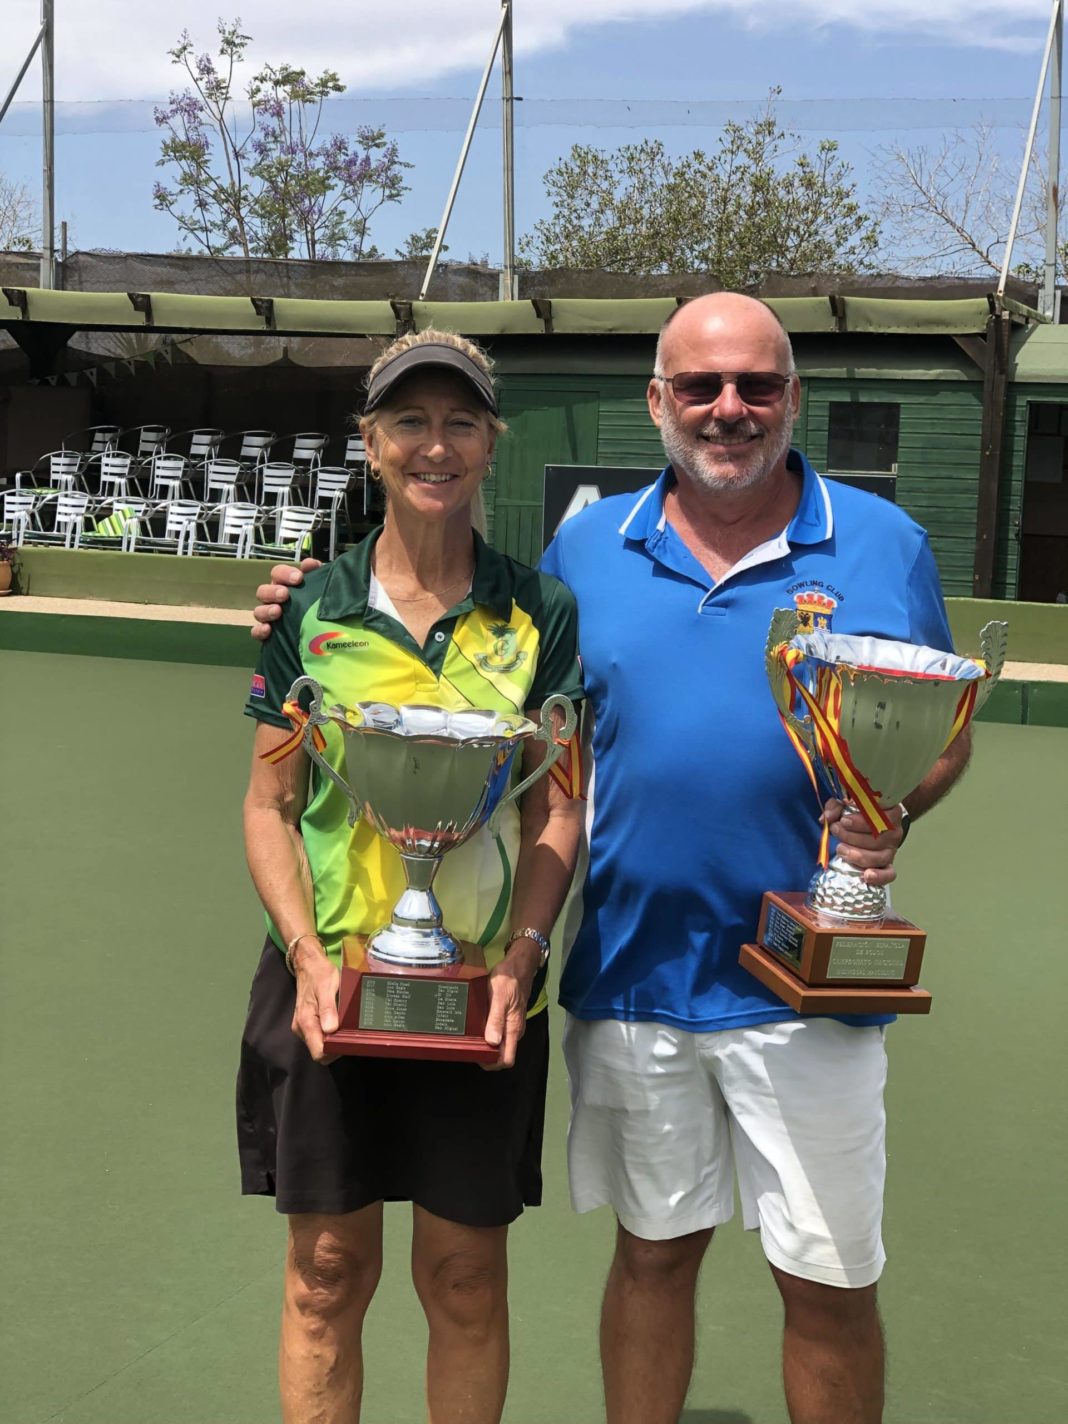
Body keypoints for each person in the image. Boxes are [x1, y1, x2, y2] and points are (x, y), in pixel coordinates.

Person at [252, 294, 972, 1424]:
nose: (728, 409)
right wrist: (297, 597)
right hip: (634, 980)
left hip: (813, 983)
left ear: (794, 397)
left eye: (757, 385)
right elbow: (481, 693)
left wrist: (898, 807)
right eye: (700, 385)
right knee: (650, 1260)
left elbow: (941, 724)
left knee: (829, 1282)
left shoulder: (886, 544)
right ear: (658, 400)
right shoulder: (586, 552)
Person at [239, 328, 584, 1424]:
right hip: (330, 978)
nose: (435, 443)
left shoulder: (542, 613)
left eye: (460, 421)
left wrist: (523, 956)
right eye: (409, 420)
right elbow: (269, 805)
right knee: (326, 1271)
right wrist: (302, 953)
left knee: (467, 1275)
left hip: (479, 985)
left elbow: (557, 805)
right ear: (371, 444)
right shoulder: (312, 608)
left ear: (491, 442)